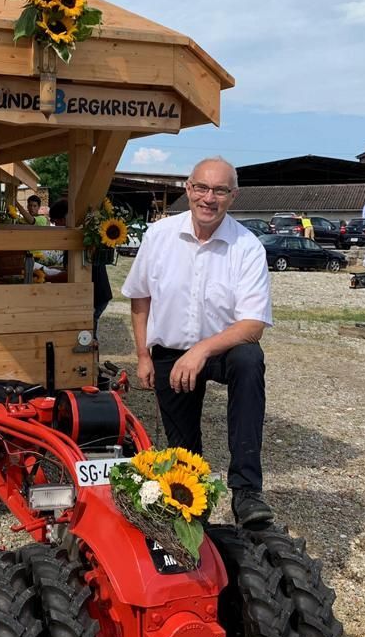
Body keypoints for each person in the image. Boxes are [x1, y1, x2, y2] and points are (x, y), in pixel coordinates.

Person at [121, 157, 274, 527]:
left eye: (220, 190)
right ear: (188, 189)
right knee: (184, 453)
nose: (209, 198)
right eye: (202, 188)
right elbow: (140, 297)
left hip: (221, 350)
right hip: (171, 353)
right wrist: (143, 355)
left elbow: (253, 324)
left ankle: (246, 490)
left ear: (233, 196)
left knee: (249, 360)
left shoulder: (247, 246)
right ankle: (194, 514)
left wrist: (202, 350)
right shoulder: (159, 236)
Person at [47, 198, 112, 338]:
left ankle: (93, 350)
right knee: (86, 331)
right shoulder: (77, 235)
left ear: (65, 219)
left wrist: (46, 277)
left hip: (96, 296)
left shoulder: (78, 239)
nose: (55, 226)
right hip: (97, 294)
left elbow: (72, 274)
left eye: (56, 222)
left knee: (87, 334)